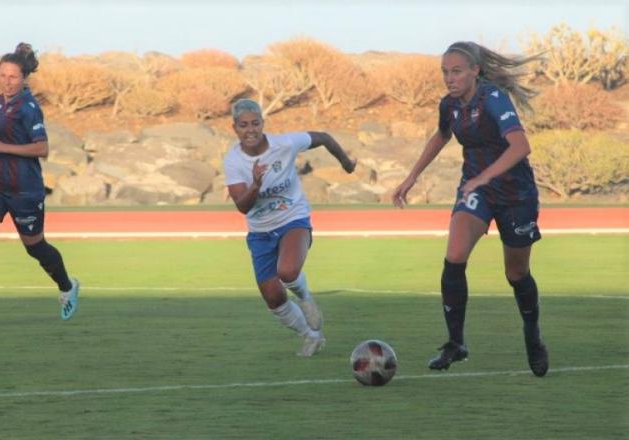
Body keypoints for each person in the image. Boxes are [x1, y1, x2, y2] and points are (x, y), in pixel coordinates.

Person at [392, 41, 548, 377]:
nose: (449, 78)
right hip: (478, 191)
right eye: (445, 72)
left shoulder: (492, 98)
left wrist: (484, 177)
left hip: (515, 194)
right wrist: (411, 177)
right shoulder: (449, 105)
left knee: (516, 274)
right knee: (454, 257)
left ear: (475, 71)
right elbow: (441, 136)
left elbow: (521, 146)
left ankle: (532, 334)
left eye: (457, 71)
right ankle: (456, 343)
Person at [224, 99, 356, 356]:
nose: (250, 129)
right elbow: (242, 206)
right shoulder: (233, 161)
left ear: (263, 123)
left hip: (293, 219)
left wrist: (346, 163)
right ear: (234, 128)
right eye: (243, 125)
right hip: (260, 232)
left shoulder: (284, 144)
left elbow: (324, 138)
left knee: (287, 271)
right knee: (273, 298)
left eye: (255, 123)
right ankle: (311, 336)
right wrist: (255, 185)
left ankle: (306, 298)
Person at [0, 43, 80, 320]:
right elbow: (5, 140)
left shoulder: (29, 107)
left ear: (23, 78)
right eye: (3, 75)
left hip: (25, 190)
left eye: (13, 77)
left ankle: (67, 286)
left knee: (35, 248)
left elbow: (41, 149)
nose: (7, 82)